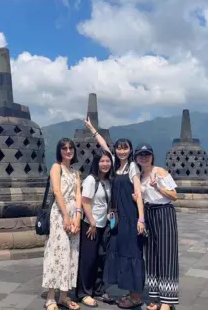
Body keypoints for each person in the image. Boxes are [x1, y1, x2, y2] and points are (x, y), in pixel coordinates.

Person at [84, 118, 145, 309]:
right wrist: (92, 129)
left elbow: (139, 194)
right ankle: (129, 292)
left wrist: (141, 219)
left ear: (130, 149)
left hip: (132, 216)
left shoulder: (133, 167)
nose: (122, 151)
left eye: (125, 148)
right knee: (122, 253)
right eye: (119, 148)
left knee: (133, 253)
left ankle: (136, 296)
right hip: (117, 218)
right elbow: (103, 146)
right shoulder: (115, 166)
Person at [134, 143, 179, 310]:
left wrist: (157, 187)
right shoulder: (139, 176)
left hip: (164, 212)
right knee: (151, 255)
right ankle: (154, 297)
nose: (144, 157)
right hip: (149, 213)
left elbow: (174, 195)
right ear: (136, 158)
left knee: (166, 254)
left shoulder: (159, 172)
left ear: (152, 156)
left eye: (147, 154)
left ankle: (167, 301)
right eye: (140, 155)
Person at [42, 138, 82, 310]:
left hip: (74, 214)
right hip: (60, 213)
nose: (68, 151)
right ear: (59, 151)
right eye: (64, 148)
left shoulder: (75, 172)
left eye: (70, 148)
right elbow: (57, 191)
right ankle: (50, 297)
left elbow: (78, 194)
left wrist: (77, 217)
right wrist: (66, 216)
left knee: (72, 254)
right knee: (57, 251)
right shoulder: (56, 167)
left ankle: (63, 296)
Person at [76, 149, 115, 307]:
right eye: (102, 161)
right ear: (96, 163)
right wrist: (91, 221)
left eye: (108, 161)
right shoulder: (91, 180)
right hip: (90, 225)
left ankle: (97, 290)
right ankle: (84, 293)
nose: (105, 164)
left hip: (103, 225)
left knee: (101, 257)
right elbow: (84, 201)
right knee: (88, 259)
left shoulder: (107, 181)